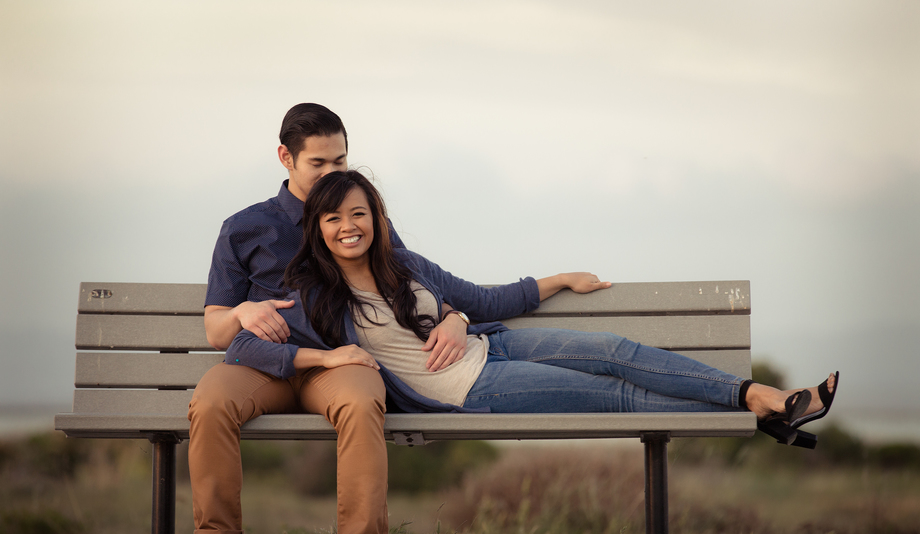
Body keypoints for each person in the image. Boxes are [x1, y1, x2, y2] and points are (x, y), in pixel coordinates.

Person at [224, 170, 838, 448]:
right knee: (609, 395)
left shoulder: (404, 264)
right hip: (468, 385)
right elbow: (245, 345)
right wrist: (328, 354)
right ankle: (761, 407)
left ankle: (758, 400)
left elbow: (485, 300)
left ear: (376, 217)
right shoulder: (308, 291)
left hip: (494, 346)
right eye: (333, 218)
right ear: (318, 229)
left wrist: (557, 279)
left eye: (358, 213)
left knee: (613, 352)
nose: (348, 227)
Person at [183, 105, 469, 534]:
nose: (333, 175)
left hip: (337, 362)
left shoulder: (361, 215)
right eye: (319, 164)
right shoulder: (245, 227)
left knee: (362, 402)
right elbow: (214, 328)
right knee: (209, 403)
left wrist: (452, 316)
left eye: (341, 162)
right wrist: (244, 311)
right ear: (285, 159)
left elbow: (408, 282)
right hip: (262, 364)